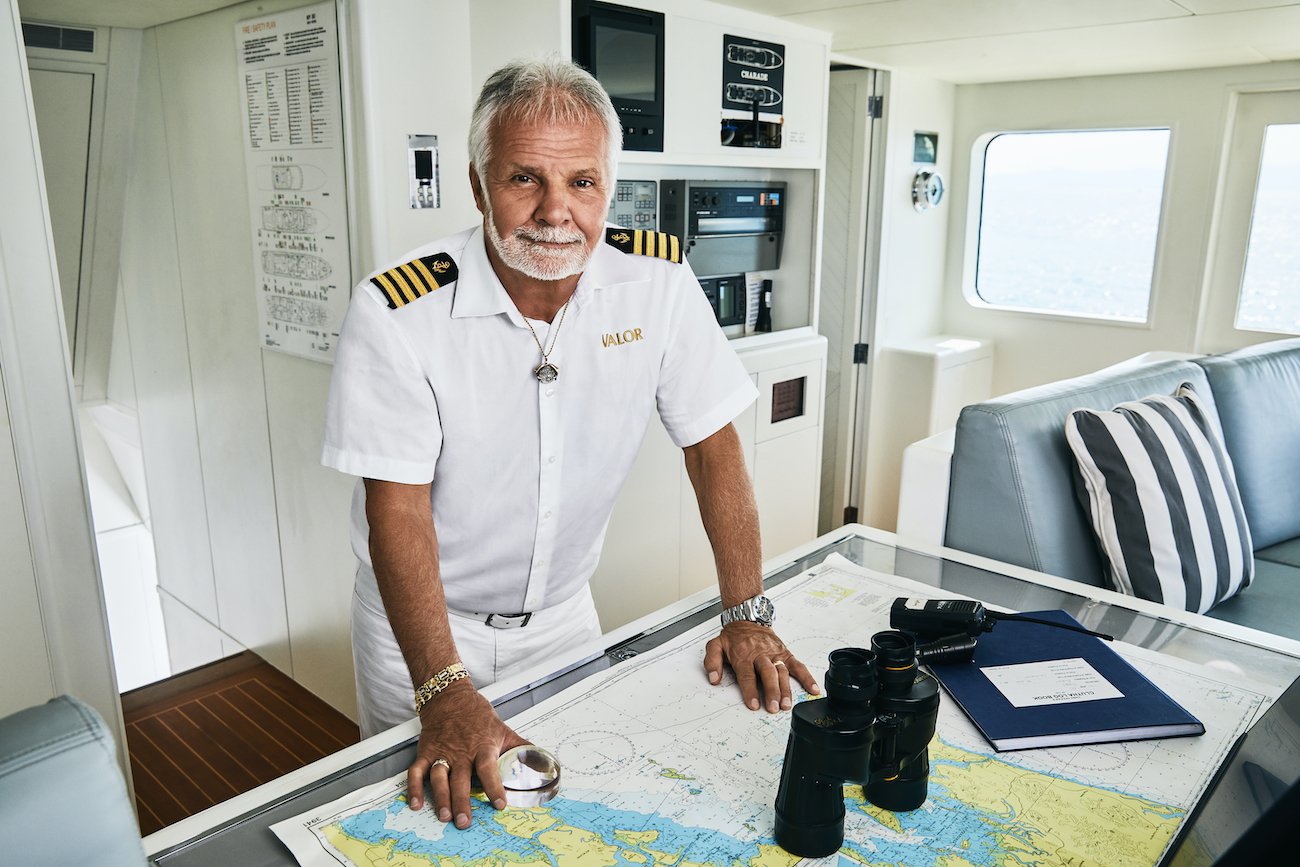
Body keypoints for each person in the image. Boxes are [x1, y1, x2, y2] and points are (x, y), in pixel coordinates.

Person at [321, 56, 817, 831]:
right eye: (526, 179)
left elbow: (712, 448)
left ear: (608, 185)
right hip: (422, 632)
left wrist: (746, 609)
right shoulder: (399, 310)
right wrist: (443, 687)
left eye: (582, 182)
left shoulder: (655, 280)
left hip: (564, 620)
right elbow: (398, 510)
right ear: (480, 185)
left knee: (569, 819)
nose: (557, 211)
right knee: (431, 827)